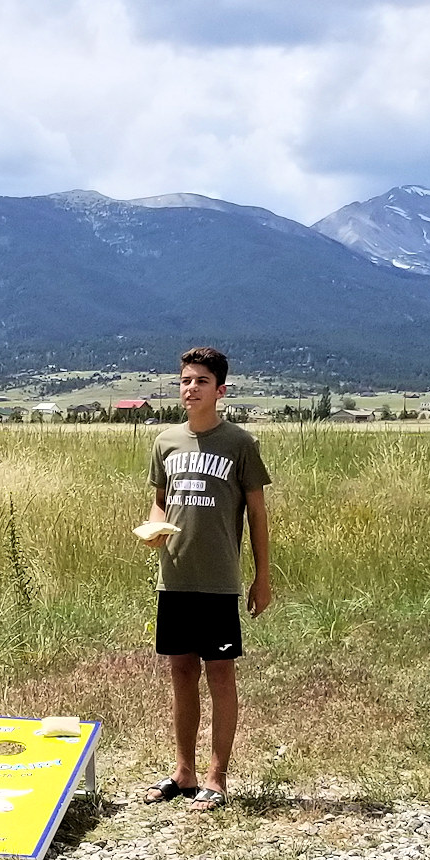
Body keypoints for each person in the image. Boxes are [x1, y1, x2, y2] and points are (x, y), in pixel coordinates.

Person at [141, 347, 272, 812]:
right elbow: (161, 499)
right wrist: (153, 525)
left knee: (219, 674)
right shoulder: (165, 442)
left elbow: (256, 514)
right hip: (174, 578)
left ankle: (216, 777)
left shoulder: (239, 443)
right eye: (184, 380)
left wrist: (262, 577)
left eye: (199, 381)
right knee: (180, 673)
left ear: (220, 390)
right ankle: (184, 772)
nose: (190, 388)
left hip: (219, 581)